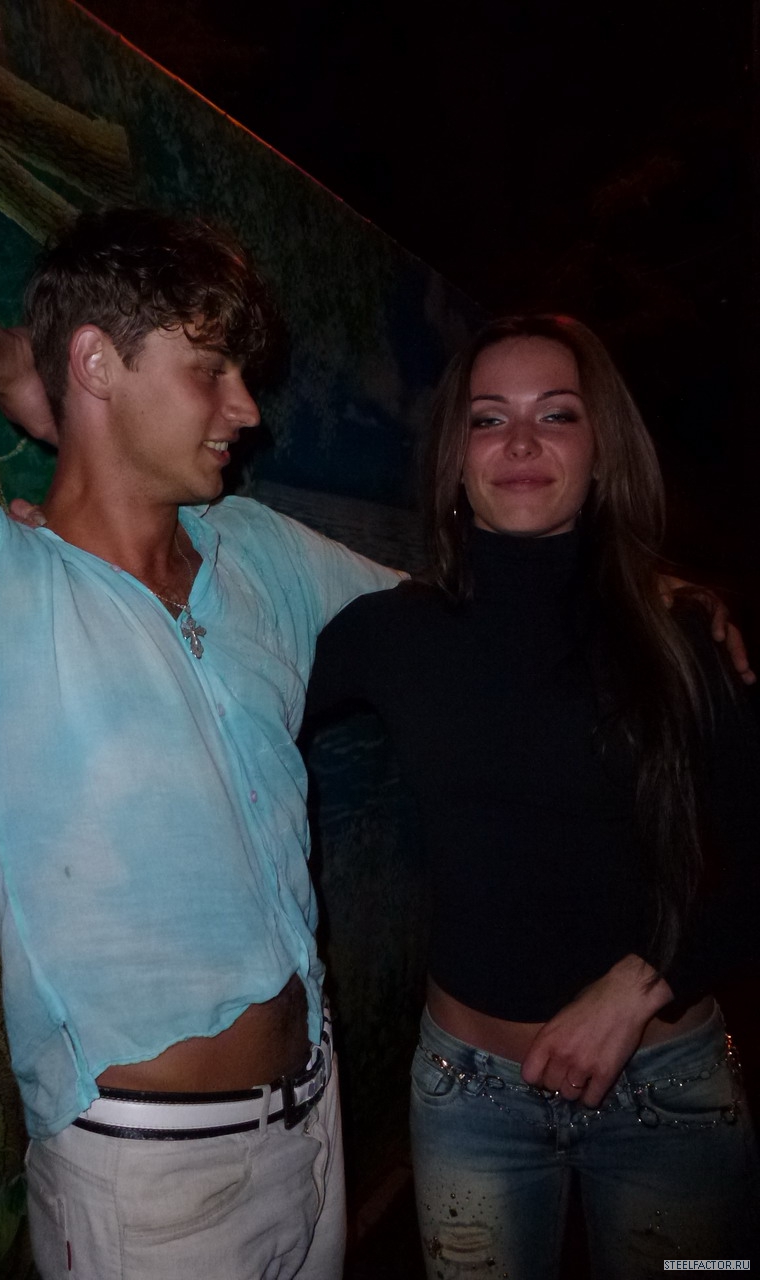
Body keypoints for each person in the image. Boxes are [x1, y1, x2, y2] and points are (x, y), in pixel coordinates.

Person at [0, 209, 402, 1280]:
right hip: (149, 1189)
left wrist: (652, 595)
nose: (246, 409)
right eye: (210, 370)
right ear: (94, 364)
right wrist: (7, 364)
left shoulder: (258, 551)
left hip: (317, 1125)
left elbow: (446, 627)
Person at [309, 315, 760, 1277]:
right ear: (455, 456)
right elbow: (219, 695)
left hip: (669, 1094)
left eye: (556, 415)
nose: (519, 442)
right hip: (471, 1099)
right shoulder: (389, 634)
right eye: (488, 418)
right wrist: (67, 554)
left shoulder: (682, 637)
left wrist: (644, 981)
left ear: (603, 452)